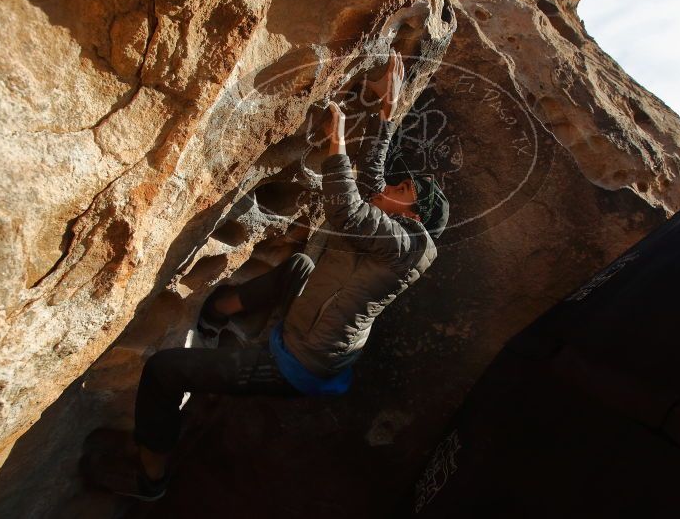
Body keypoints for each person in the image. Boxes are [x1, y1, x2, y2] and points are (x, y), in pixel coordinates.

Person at [98, 49, 449, 501]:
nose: (389, 188)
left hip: (298, 365)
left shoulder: (403, 247)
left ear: (415, 218)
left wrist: (336, 142)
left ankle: (150, 477)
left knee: (164, 371)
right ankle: (217, 316)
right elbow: (373, 180)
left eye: (402, 191)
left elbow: (348, 206)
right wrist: (386, 110)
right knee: (301, 265)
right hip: (312, 329)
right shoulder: (394, 230)